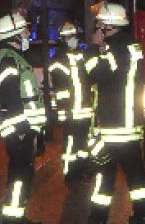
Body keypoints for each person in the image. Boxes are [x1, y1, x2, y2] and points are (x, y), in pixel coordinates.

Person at [84, 3, 145, 224]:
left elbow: (93, 75)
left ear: (107, 26)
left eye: (99, 24)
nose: (97, 28)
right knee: (135, 173)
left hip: (113, 124)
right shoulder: (132, 46)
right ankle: (141, 215)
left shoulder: (114, 50)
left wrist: (94, 48)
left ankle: (99, 217)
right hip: (131, 123)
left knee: (103, 172)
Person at [0, 12, 47, 224]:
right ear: (15, 35)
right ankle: (13, 219)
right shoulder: (8, 61)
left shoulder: (12, 59)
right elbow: (11, 98)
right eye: (24, 30)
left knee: (22, 173)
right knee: (20, 175)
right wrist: (24, 129)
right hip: (18, 129)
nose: (28, 34)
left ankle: (17, 216)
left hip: (21, 127)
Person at [48, 21, 94, 186]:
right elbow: (60, 91)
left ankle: (82, 170)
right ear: (63, 39)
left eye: (74, 36)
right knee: (70, 146)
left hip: (85, 110)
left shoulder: (81, 56)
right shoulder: (58, 60)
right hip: (71, 112)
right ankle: (69, 174)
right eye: (69, 37)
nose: (72, 39)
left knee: (83, 144)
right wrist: (63, 114)